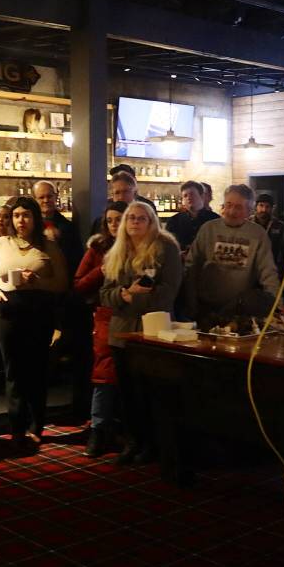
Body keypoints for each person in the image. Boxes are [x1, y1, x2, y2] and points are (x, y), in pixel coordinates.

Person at [100, 201, 182, 465]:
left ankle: (154, 445)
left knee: (151, 393)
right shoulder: (117, 251)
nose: (135, 222)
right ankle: (133, 442)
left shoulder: (166, 247)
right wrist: (124, 294)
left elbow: (167, 293)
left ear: (152, 222)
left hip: (153, 331)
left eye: (141, 218)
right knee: (127, 394)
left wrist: (129, 298)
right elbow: (104, 295)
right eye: (131, 218)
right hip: (121, 334)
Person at [0, 196, 68, 445]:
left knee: (36, 369)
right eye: (16, 215)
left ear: (35, 218)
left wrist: (38, 282)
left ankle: (36, 424)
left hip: (37, 311)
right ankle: (16, 425)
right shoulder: (1, 243)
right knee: (12, 371)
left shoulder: (49, 246)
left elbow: (62, 283)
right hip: (6, 311)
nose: (21, 220)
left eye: (26, 215)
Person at [74, 201, 127, 458]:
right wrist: (100, 271)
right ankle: (98, 429)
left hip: (137, 315)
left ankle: (128, 431)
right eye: (110, 220)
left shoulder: (142, 246)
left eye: (120, 219)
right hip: (106, 315)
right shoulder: (98, 248)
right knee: (104, 374)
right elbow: (79, 284)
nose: (115, 225)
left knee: (132, 374)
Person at [34, 180, 88, 414]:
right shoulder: (27, 226)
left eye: (50, 197)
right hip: (34, 299)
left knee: (62, 352)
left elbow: (75, 262)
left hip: (60, 299)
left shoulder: (66, 228)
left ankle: (71, 404)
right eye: (41, 197)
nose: (46, 201)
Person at [188, 185, 279, 323]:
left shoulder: (258, 234)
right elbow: (191, 266)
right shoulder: (208, 229)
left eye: (238, 207)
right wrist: (190, 301)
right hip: (205, 306)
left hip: (239, 310)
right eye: (228, 205)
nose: (231, 211)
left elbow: (268, 272)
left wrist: (275, 302)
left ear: (249, 211)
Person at [165, 180, 220, 253]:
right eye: (185, 196)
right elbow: (168, 246)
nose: (189, 198)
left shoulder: (215, 219)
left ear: (202, 196)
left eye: (192, 194)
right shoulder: (174, 221)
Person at [251, 192, 284, 265]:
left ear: (272, 208)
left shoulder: (279, 225)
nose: (264, 209)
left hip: (271, 265)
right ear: (256, 206)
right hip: (252, 265)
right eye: (261, 205)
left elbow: (282, 250)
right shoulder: (248, 223)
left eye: (267, 206)